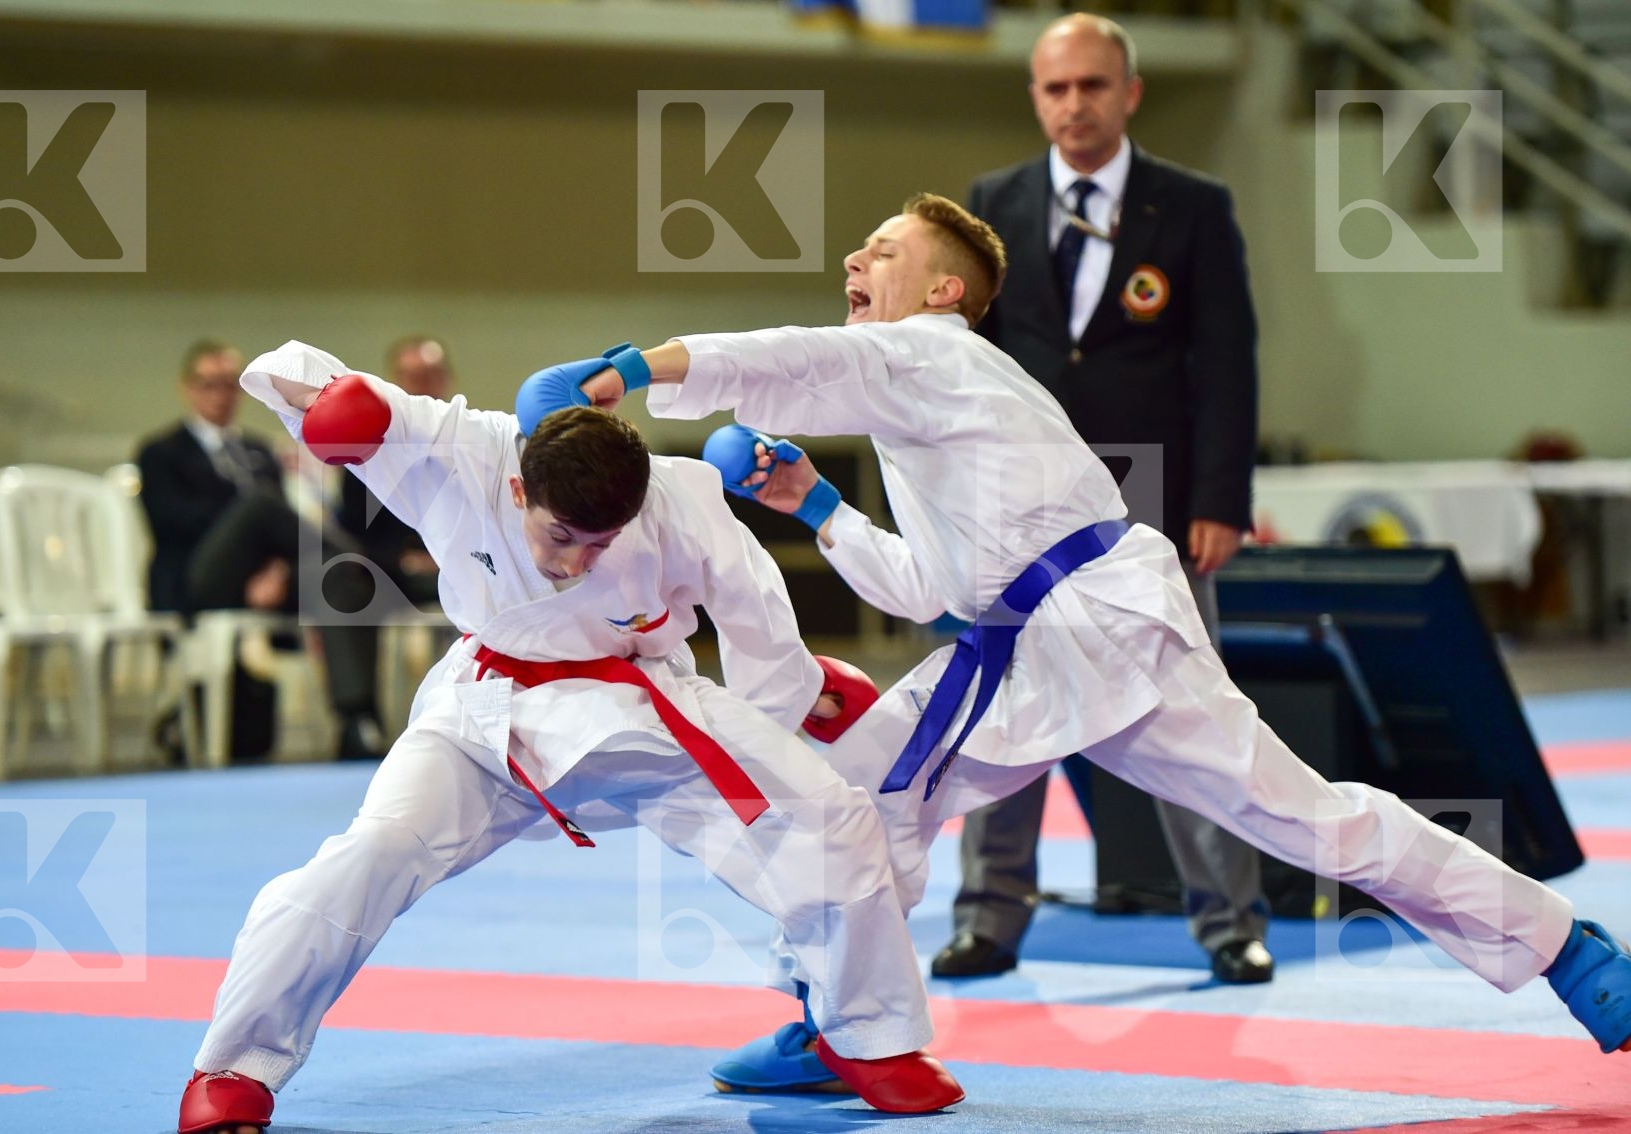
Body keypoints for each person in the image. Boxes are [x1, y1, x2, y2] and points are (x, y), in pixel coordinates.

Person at [518, 193, 1631, 1095]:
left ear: (943, 288)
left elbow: (788, 361)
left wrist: (629, 370)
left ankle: (1568, 947)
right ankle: (835, 1021)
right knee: (853, 798)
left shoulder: (928, 353)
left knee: (1298, 817)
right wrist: (817, 509)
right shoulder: (918, 404)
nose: (857, 256)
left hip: (1100, 627)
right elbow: (938, 588)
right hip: (1031, 643)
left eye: (885, 247)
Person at [175, 340, 965, 1134]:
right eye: (561, 538)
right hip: (483, 715)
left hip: (643, 705)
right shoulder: (465, 450)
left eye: (601, 543)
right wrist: (342, 405)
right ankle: (234, 1068)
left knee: (830, 816)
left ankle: (867, 1037)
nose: (579, 562)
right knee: (368, 854)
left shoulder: (679, 498)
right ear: (519, 486)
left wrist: (794, 699)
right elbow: (289, 370)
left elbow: (754, 611)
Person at [945, 11, 1272, 984]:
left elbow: (1226, 361)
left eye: (1093, 85)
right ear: (1036, 97)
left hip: (1155, 501)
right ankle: (989, 917)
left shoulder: (1193, 207)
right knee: (1004, 713)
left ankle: (1230, 922)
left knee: (1193, 716)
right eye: (1056, 87)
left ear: (1129, 93)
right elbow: (965, 363)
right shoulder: (991, 202)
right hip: (1027, 505)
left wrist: (1219, 495)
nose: (1074, 104)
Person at [137, 340, 384, 759]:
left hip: (265, 579)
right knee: (261, 505)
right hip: (198, 578)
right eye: (208, 384)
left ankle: (357, 720)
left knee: (333, 573)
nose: (220, 395)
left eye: (229, 385)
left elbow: (279, 533)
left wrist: (277, 572)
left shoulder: (257, 451)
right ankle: (354, 552)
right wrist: (251, 548)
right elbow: (173, 524)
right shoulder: (160, 453)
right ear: (188, 388)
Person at [332, 337, 451, 756]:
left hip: (461, 567)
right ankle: (359, 719)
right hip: (394, 573)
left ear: (445, 381)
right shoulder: (364, 445)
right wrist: (403, 560)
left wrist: (443, 556)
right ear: (393, 383)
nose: (420, 387)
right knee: (342, 580)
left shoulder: (472, 442)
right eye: (411, 378)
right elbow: (353, 530)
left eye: (429, 377)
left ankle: (478, 721)